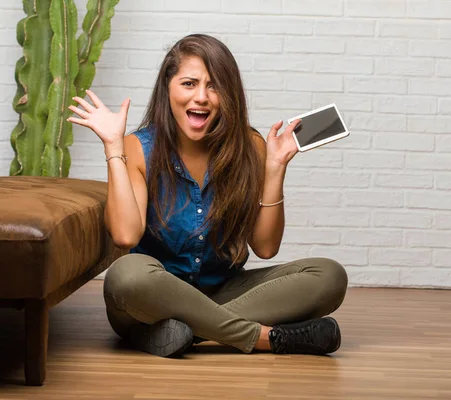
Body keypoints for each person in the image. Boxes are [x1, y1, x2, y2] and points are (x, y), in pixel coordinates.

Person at [67, 34, 348, 358]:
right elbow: (125, 234)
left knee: (328, 275)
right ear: (168, 89)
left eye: (214, 86)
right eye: (189, 84)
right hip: (153, 294)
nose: (201, 97)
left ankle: (179, 333)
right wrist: (113, 146)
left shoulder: (250, 146)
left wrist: (274, 167)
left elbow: (266, 248)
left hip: (225, 290)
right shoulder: (139, 148)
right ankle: (264, 337)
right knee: (125, 276)